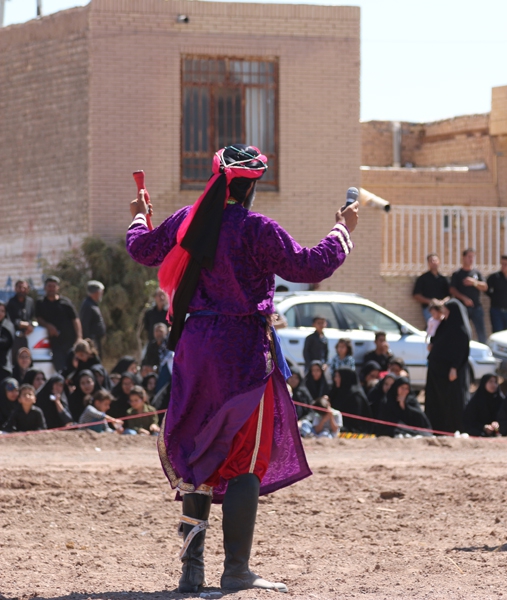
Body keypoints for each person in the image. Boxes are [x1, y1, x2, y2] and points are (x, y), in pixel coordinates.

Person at [126, 144, 357, 593]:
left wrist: (140, 214)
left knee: (197, 452)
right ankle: (236, 570)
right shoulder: (257, 229)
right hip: (243, 352)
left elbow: (142, 248)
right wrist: (343, 230)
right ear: (252, 187)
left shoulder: (185, 220)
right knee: (244, 461)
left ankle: (191, 571)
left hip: (195, 349)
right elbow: (311, 264)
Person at [425, 298, 470, 434]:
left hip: (449, 373)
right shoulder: (444, 325)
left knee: (450, 402)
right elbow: (437, 339)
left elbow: (461, 351)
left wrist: (454, 368)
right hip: (437, 371)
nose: (444, 313)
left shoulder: (460, 329)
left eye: (447, 310)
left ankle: (450, 428)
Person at [35, 276, 82, 373]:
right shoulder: (40, 303)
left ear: (58, 288)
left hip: (70, 343)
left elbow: (75, 320)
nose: (51, 288)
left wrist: (79, 338)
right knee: (60, 369)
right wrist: (48, 326)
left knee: (74, 368)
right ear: (45, 287)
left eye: (53, 286)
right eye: (49, 286)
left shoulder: (66, 303)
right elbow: (38, 318)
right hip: (56, 344)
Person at [449, 248, 488, 344]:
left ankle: (484, 350)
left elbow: (485, 287)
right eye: (469, 256)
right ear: (463, 257)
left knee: (481, 331)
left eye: (473, 257)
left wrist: (474, 283)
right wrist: (464, 298)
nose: (471, 259)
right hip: (462, 308)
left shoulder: (476, 273)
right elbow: (452, 289)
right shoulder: (457, 274)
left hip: (476, 307)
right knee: (462, 330)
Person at [328, 368, 372, 434]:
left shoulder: (355, 396)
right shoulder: (337, 392)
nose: (335, 379)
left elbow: (354, 422)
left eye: (338, 376)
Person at [412, 253, 450, 327]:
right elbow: (416, 295)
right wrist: (431, 301)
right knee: (432, 326)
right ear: (428, 263)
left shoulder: (444, 278)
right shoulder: (423, 278)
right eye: (431, 261)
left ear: (439, 262)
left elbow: (450, 295)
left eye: (435, 260)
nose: (434, 262)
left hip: (442, 308)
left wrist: (442, 302)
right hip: (429, 309)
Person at [6, 280, 35, 354]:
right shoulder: (10, 303)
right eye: (20, 287)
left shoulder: (30, 302)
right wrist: (22, 324)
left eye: (24, 288)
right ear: (15, 289)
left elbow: (33, 317)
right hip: (14, 338)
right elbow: (9, 320)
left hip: (28, 337)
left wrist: (31, 326)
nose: (22, 290)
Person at [79, 280, 106, 358]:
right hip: (92, 341)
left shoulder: (93, 304)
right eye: (101, 292)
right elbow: (85, 325)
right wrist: (88, 343)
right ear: (96, 292)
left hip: (96, 340)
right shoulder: (87, 305)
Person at [0, 304, 15, 381]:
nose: (0, 313)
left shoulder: (7, 326)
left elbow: (5, 342)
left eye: (2, 311)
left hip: (3, 366)